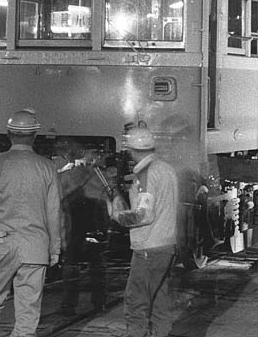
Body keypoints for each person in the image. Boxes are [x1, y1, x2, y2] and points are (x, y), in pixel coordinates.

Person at [0, 109, 61, 337]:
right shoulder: (48, 167)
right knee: (28, 311)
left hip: (0, 245)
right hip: (35, 247)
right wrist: (54, 248)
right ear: (35, 135)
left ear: (9, 134)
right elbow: (54, 212)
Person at [111, 126, 179, 337]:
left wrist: (117, 215)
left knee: (136, 303)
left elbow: (144, 215)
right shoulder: (166, 169)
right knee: (159, 302)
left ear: (131, 149)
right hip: (166, 245)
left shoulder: (145, 174)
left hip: (149, 248)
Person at [57, 149, 112, 315]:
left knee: (71, 264)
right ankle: (99, 303)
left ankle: (69, 305)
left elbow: (58, 201)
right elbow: (110, 198)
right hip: (95, 224)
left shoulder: (67, 176)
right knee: (97, 266)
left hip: (73, 225)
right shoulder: (101, 176)